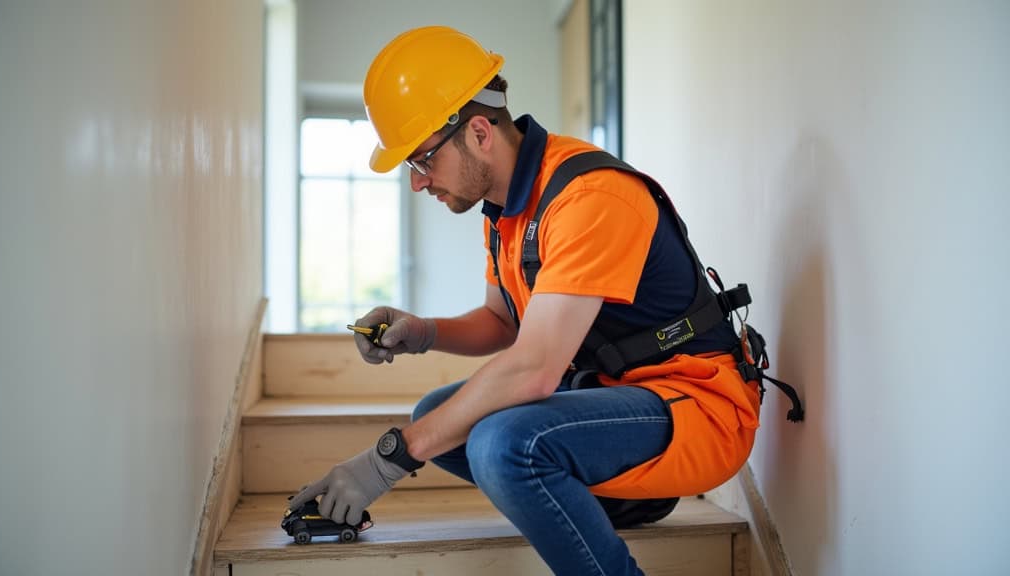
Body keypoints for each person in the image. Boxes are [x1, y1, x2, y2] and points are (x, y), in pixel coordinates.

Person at [289, 25, 777, 575]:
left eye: (422, 160)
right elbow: (502, 323)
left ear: (478, 132)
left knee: (503, 443)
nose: (419, 184)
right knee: (441, 414)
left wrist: (388, 461)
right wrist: (423, 332)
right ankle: (622, 499)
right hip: (614, 393)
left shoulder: (587, 197)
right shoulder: (504, 215)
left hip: (698, 405)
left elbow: (536, 370)